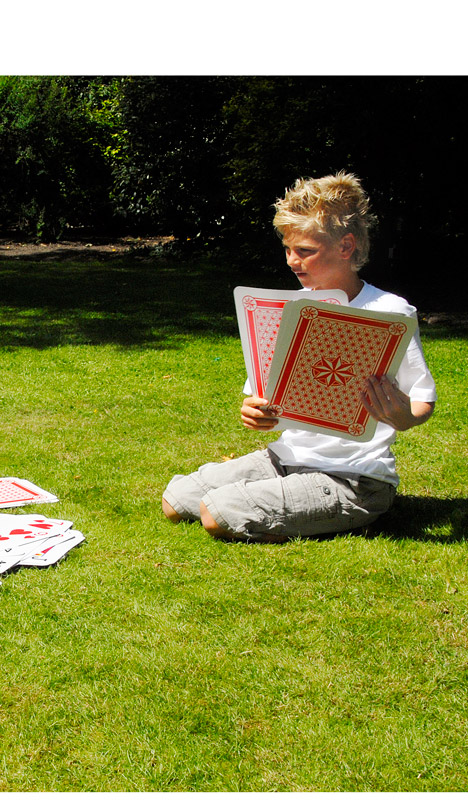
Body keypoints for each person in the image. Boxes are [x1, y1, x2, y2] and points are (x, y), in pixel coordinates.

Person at [161, 172, 437, 542]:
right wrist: (255, 412)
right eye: (288, 249)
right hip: (285, 459)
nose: (292, 261)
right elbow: (266, 396)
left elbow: (422, 398)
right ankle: (300, 503)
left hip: (353, 476)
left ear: (346, 246)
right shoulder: (288, 309)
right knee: (176, 502)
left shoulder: (389, 311)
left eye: (305, 251)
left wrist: (404, 417)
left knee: (216, 514)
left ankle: (356, 511)